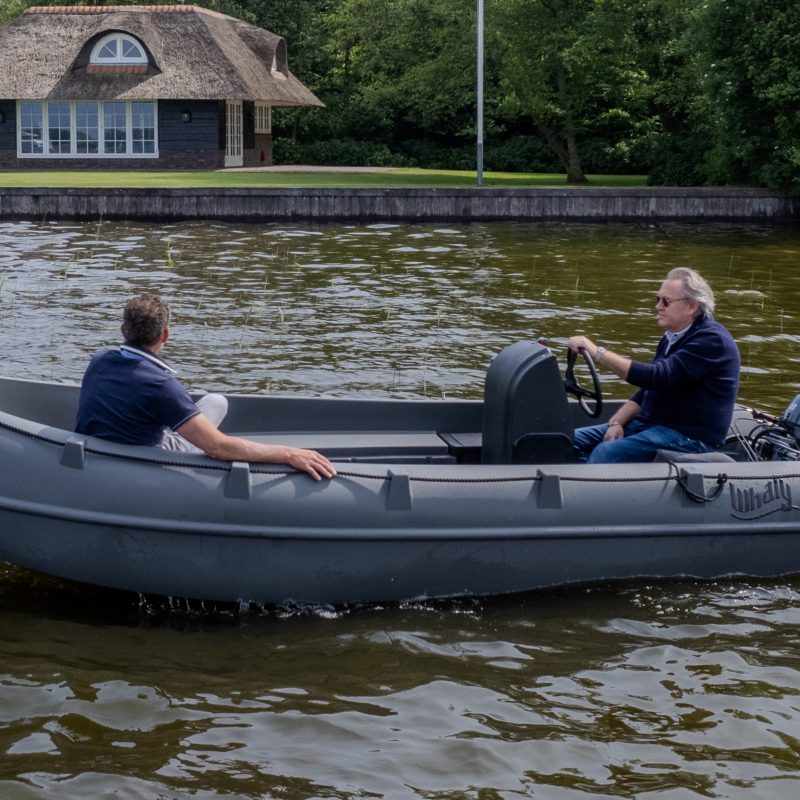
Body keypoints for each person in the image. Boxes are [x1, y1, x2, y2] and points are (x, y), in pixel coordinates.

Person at [75, 294, 337, 481]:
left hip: (101, 448)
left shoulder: (99, 359)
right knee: (210, 422)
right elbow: (218, 447)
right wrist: (288, 454)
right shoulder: (162, 385)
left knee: (216, 401)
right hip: (144, 460)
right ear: (164, 335)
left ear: (123, 330)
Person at [568, 267, 740, 464]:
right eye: (657, 299)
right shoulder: (672, 337)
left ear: (691, 307)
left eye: (666, 301)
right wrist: (617, 422)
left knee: (606, 453)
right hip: (652, 426)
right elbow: (648, 389)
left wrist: (597, 352)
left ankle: (593, 488)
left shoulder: (712, 340)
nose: (658, 306)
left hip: (690, 436)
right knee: (569, 440)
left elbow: (657, 376)